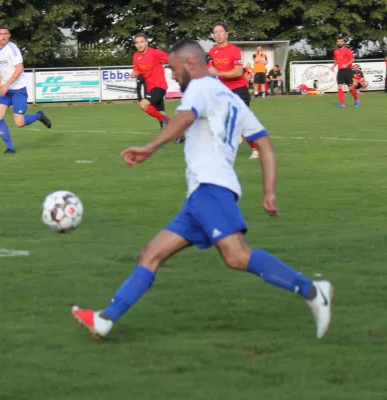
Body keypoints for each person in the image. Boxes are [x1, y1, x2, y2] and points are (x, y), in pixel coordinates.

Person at [71, 38, 333, 341]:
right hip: (202, 195)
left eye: (173, 68)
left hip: (212, 188)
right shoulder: (231, 98)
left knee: (236, 256)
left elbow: (184, 117)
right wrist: (268, 191)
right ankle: (105, 318)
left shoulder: (200, 86)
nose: (172, 75)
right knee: (151, 253)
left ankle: (314, 291)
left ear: (191, 63)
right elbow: (264, 143)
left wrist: (149, 148)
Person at [0, 25, 51, 154]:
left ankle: (39, 116)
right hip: (5, 91)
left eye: (6, 34)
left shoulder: (12, 48)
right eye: (0, 34)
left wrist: (6, 85)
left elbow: (19, 69)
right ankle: (10, 148)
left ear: (9, 36)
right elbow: (3, 71)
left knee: (19, 123)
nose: (3, 36)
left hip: (18, 90)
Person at [208, 23, 258, 159]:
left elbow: (237, 72)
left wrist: (218, 72)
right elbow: (210, 69)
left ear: (227, 33)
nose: (218, 34)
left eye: (220, 31)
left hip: (239, 90)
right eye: (215, 32)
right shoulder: (213, 51)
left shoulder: (234, 50)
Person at [130, 33, 184, 144]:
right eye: (137, 43)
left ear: (146, 42)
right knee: (161, 114)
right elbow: (137, 70)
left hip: (159, 86)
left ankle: (163, 122)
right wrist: (134, 74)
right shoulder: (136, 56)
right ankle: (180, 134)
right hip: (150, 88)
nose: (139, 44)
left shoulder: (154, 53)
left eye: (141, 42)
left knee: (143, 104)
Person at [332, 36, 359, 108]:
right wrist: (333, 66)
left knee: (350, 88)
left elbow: (352, 59)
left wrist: (346, 65)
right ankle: (342, 103)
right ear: (336, 42)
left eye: (341, 41)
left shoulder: (347, 50)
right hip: (340, 71)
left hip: (348, 71)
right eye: (338, 41)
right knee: (339, 86)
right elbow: (336, 60)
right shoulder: (335, 51)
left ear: (343, 42)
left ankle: (356, 100)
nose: (340, 43)